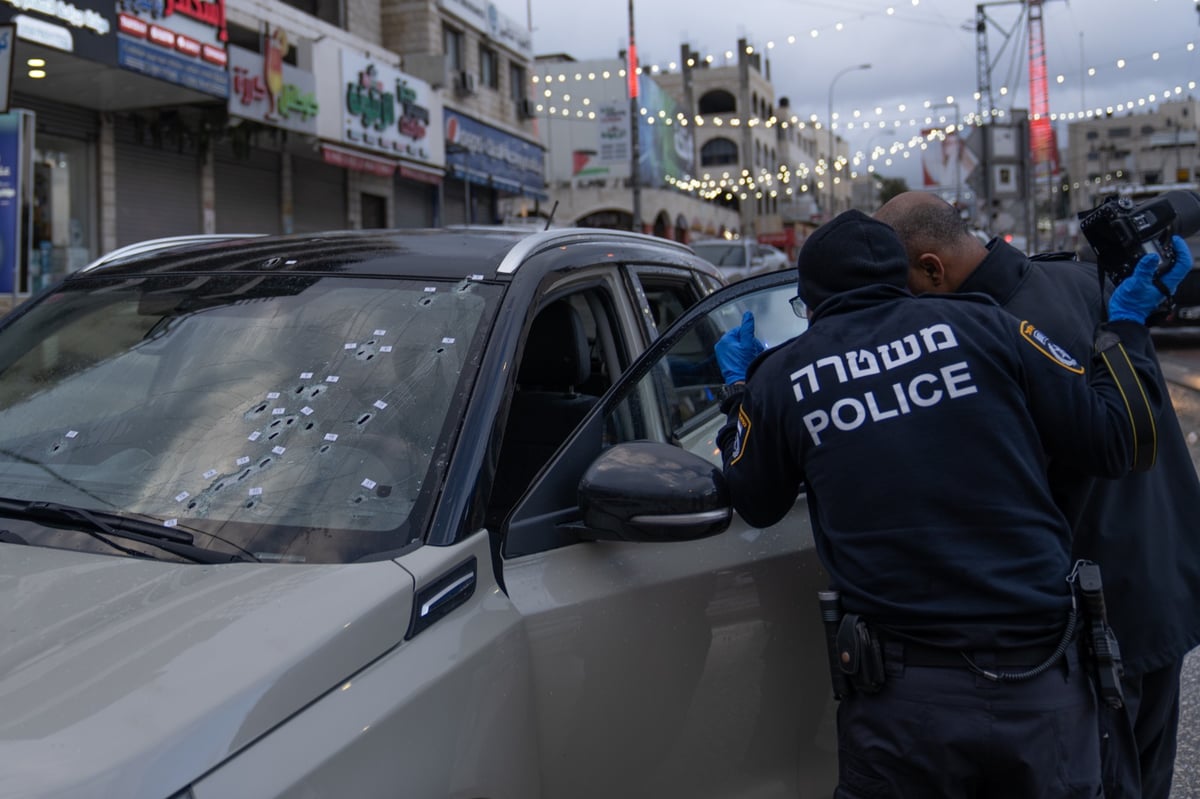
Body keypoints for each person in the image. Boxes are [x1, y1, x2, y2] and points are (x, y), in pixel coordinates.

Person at [713, 208, 1193, 798]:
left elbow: (754, 502)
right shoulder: (990, 325)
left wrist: (740, 391)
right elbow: (1121, 439)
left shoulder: (783, 376)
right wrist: (1125, 328)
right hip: (1040, 681)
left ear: (811, 301)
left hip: (906, 701)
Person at [875, 191, 1200, 799]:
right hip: (1167, 576)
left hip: (1100, 612)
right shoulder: (1083, 281)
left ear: (932, 268)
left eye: (905, 289)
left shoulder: (984, 336)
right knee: (1149, 772)